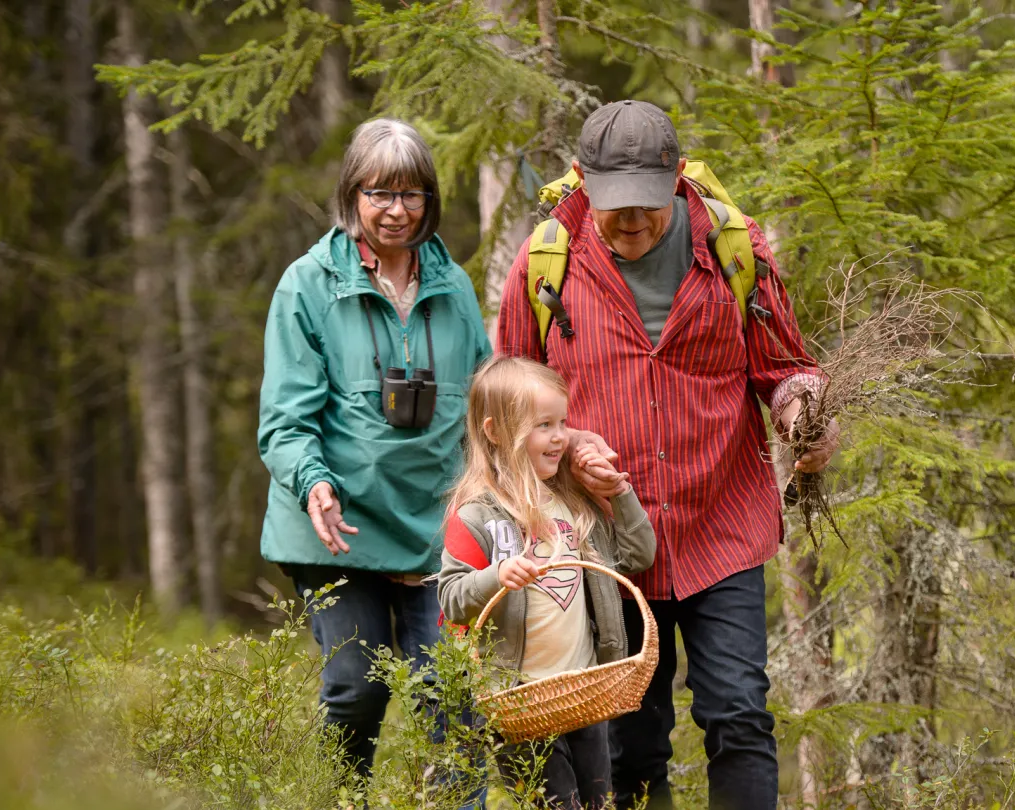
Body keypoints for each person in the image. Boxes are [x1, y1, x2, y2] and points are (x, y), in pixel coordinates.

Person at [497, 100, 838, 810]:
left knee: (738, 715)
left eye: (646, 207)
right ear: (583, 182)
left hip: (722, 524)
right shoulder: (544, 262)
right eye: (614, 207)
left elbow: (785, 369)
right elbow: (508, 404)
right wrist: (567, 451)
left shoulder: (735, 250)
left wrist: (805, 411)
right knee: (631, 740)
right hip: (605, 541)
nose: (631, 223)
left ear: (676, 179)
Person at [256, 117, 493, 791]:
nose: (396, 210)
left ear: (430, 201)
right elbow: (285, 421)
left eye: (411, 194)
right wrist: (314, 485)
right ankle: (342, 799)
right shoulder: (307, 286)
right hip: (336, 527)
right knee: (358, 688)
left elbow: (481, 409)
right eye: (378, 193)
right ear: (351, 195)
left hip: (432, 531)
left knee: (452, 699)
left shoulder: (453, 288)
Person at [438, 356, 656, 810]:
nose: (561, 436)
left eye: (563, 421)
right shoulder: (477, 515)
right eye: (543, 425)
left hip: (582, 693)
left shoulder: (571, 503)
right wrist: (494, 576)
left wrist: (619, 492)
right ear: (496, 431)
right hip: (522, 703)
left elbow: (637, 556)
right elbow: (452, 597)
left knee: (598, 803)